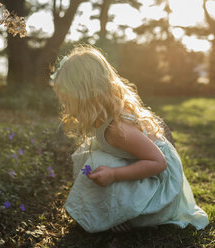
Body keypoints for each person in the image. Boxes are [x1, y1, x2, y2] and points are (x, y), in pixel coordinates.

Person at [51, 45, 209, 233]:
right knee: (93, 158)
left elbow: (159, 162)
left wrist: (114, 174)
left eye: (67, 99)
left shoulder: (117, 129)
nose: (64, 104)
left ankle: (124, 213)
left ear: (86, 94)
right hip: (142, 163)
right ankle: (115, 208)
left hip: (159, 181)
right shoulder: (102, 119)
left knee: (102, 163)